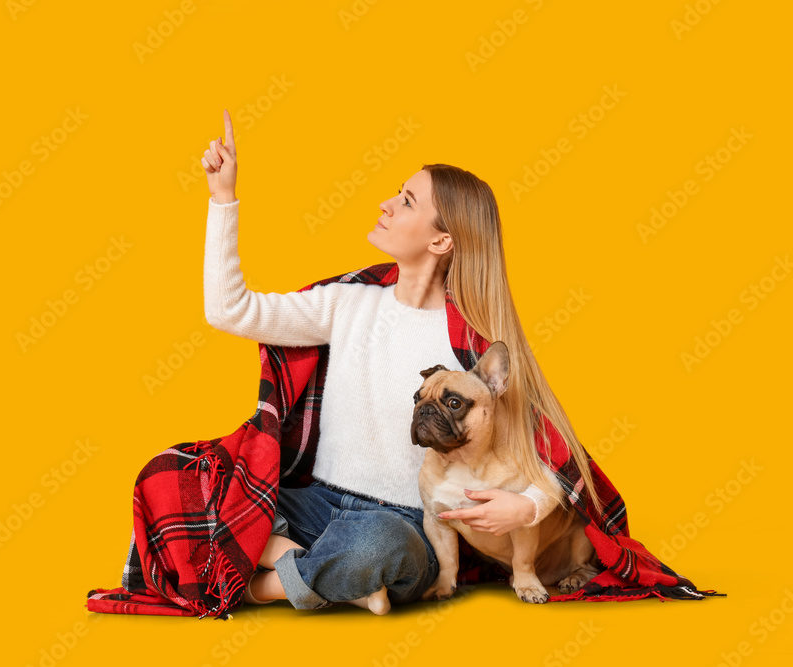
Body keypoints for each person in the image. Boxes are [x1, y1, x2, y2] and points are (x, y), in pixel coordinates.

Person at [199, 109, 599, 615]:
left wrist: (528, 507)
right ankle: (324, 573)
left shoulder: (473, 342)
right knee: (193, 485)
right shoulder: (346, 302)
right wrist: (223, 198)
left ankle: (261, 585)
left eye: (406, 201)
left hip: (407, 521)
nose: (386, 204)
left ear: (441, 241)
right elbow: (229, 310)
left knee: (380, 550)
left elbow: (550, 456)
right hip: (314, 503)